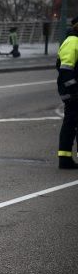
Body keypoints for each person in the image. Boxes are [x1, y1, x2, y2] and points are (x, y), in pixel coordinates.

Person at [56, 16, 78, 169]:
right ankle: (64, 159)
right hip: (73, 92)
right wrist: (74, 90)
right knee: (71, 123)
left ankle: (65, 158)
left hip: (72, 91)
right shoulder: (73, 42)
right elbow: (66, 71)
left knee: (71, 123)